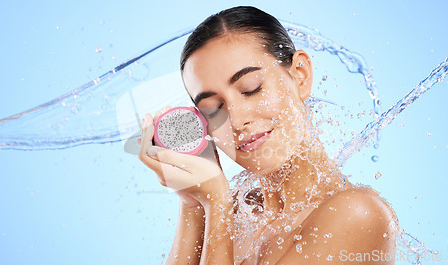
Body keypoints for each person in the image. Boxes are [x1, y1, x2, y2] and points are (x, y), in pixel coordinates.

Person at [138, 6, 397, 265]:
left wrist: (216, 203)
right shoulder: (237, 213)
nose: (236, 120)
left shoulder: (357, 214)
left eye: (252, 89)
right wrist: (192, 203)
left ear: (300, 75)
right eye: (214, 109)